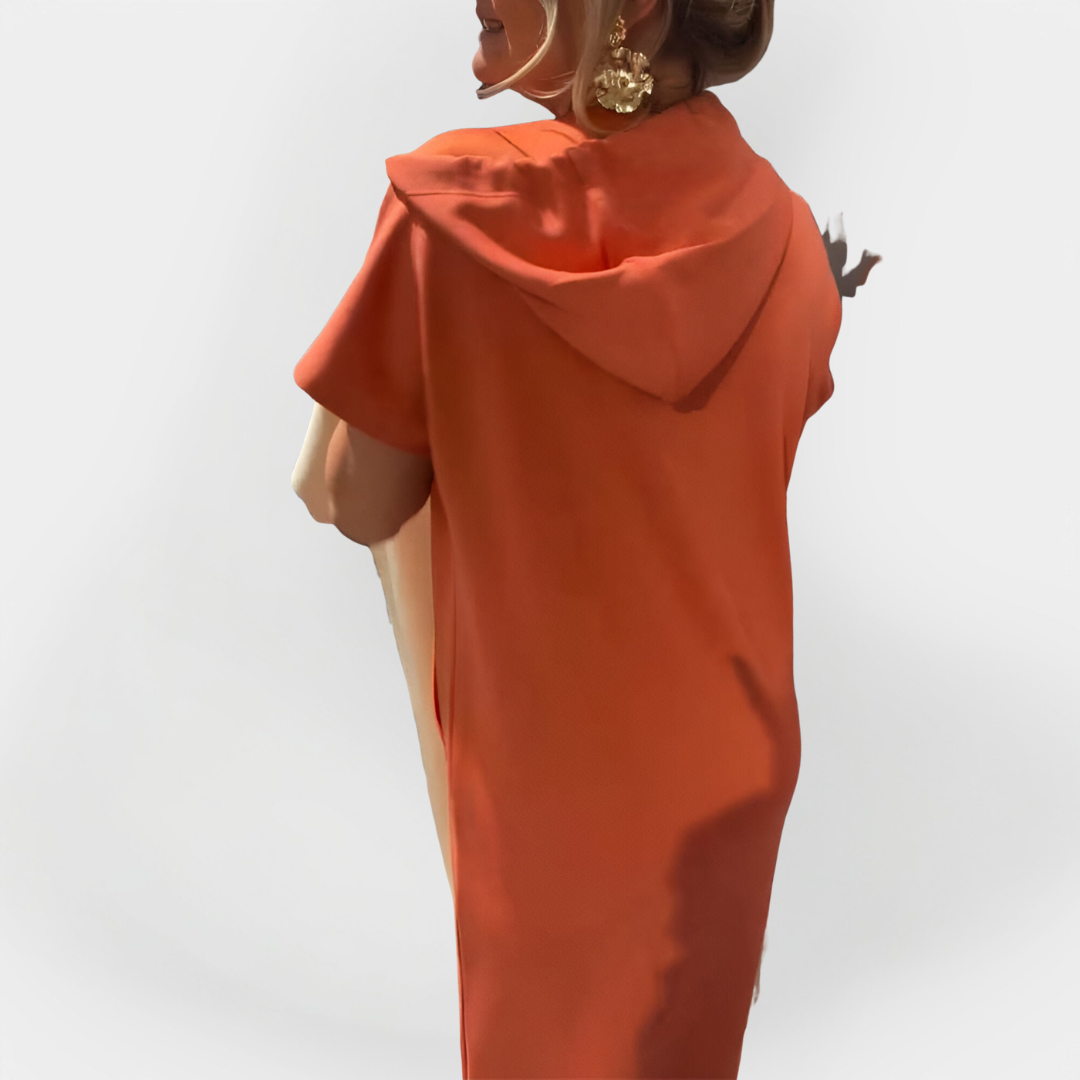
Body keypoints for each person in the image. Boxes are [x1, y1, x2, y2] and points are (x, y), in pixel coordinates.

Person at [291, 1, 879, 1076]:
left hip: (547, 794)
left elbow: (355, 497)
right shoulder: (793, 240)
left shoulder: (450, 208)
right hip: (730, 776)